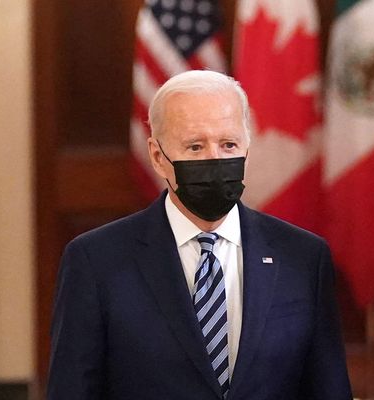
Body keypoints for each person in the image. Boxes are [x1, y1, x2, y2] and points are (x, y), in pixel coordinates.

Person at [46, 70, 352, 399]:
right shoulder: (97, 262)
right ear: (157, 156)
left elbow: (327, 389)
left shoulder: (303, 257)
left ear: (247, 148)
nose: (214, 159)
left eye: (228, 144)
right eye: (195, 147)